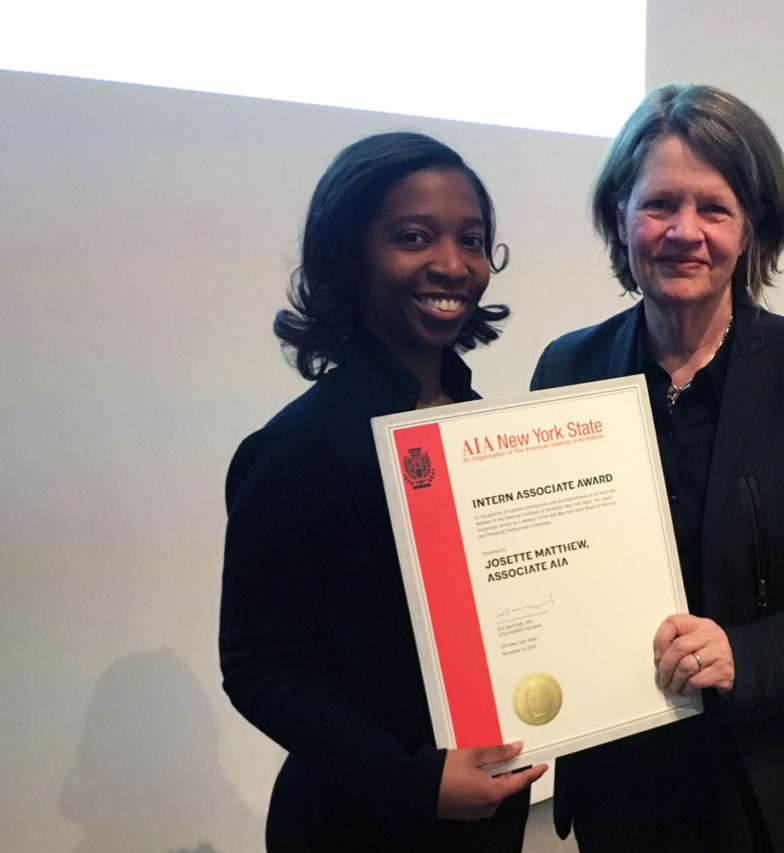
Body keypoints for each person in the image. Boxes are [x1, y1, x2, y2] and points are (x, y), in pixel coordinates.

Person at [531, 84, 784, 852]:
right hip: (624, 774)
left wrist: (745, 655)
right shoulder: (568, 368)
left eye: (714, 207)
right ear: (619, 215)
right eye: (659, 203)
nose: (684, 232)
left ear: (752, 227)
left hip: (777, 779)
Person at [220, 131, 546, 852]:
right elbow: (260, 664)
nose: (452, 264)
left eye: (472, 239)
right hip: (356, 818)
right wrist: (413, 779)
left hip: (488, 807)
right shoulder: (298, 448)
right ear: (350, 252)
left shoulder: (491, 432)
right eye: (413, 236)